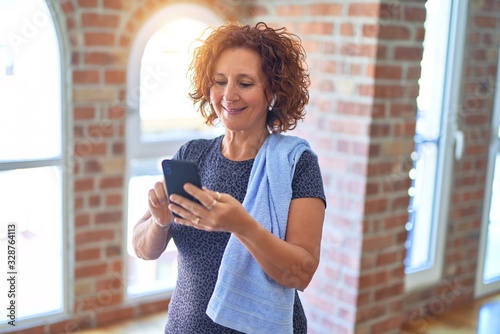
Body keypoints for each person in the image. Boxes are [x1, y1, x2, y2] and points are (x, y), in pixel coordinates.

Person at [132, 21, 326, 334]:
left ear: (273, 92)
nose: (228, 95)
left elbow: (301, 273)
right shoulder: (192, 154)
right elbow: (143, 249)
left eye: (245, 83)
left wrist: (241, 225)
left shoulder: (296, 164)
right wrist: (160, 221)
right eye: (220, 81)